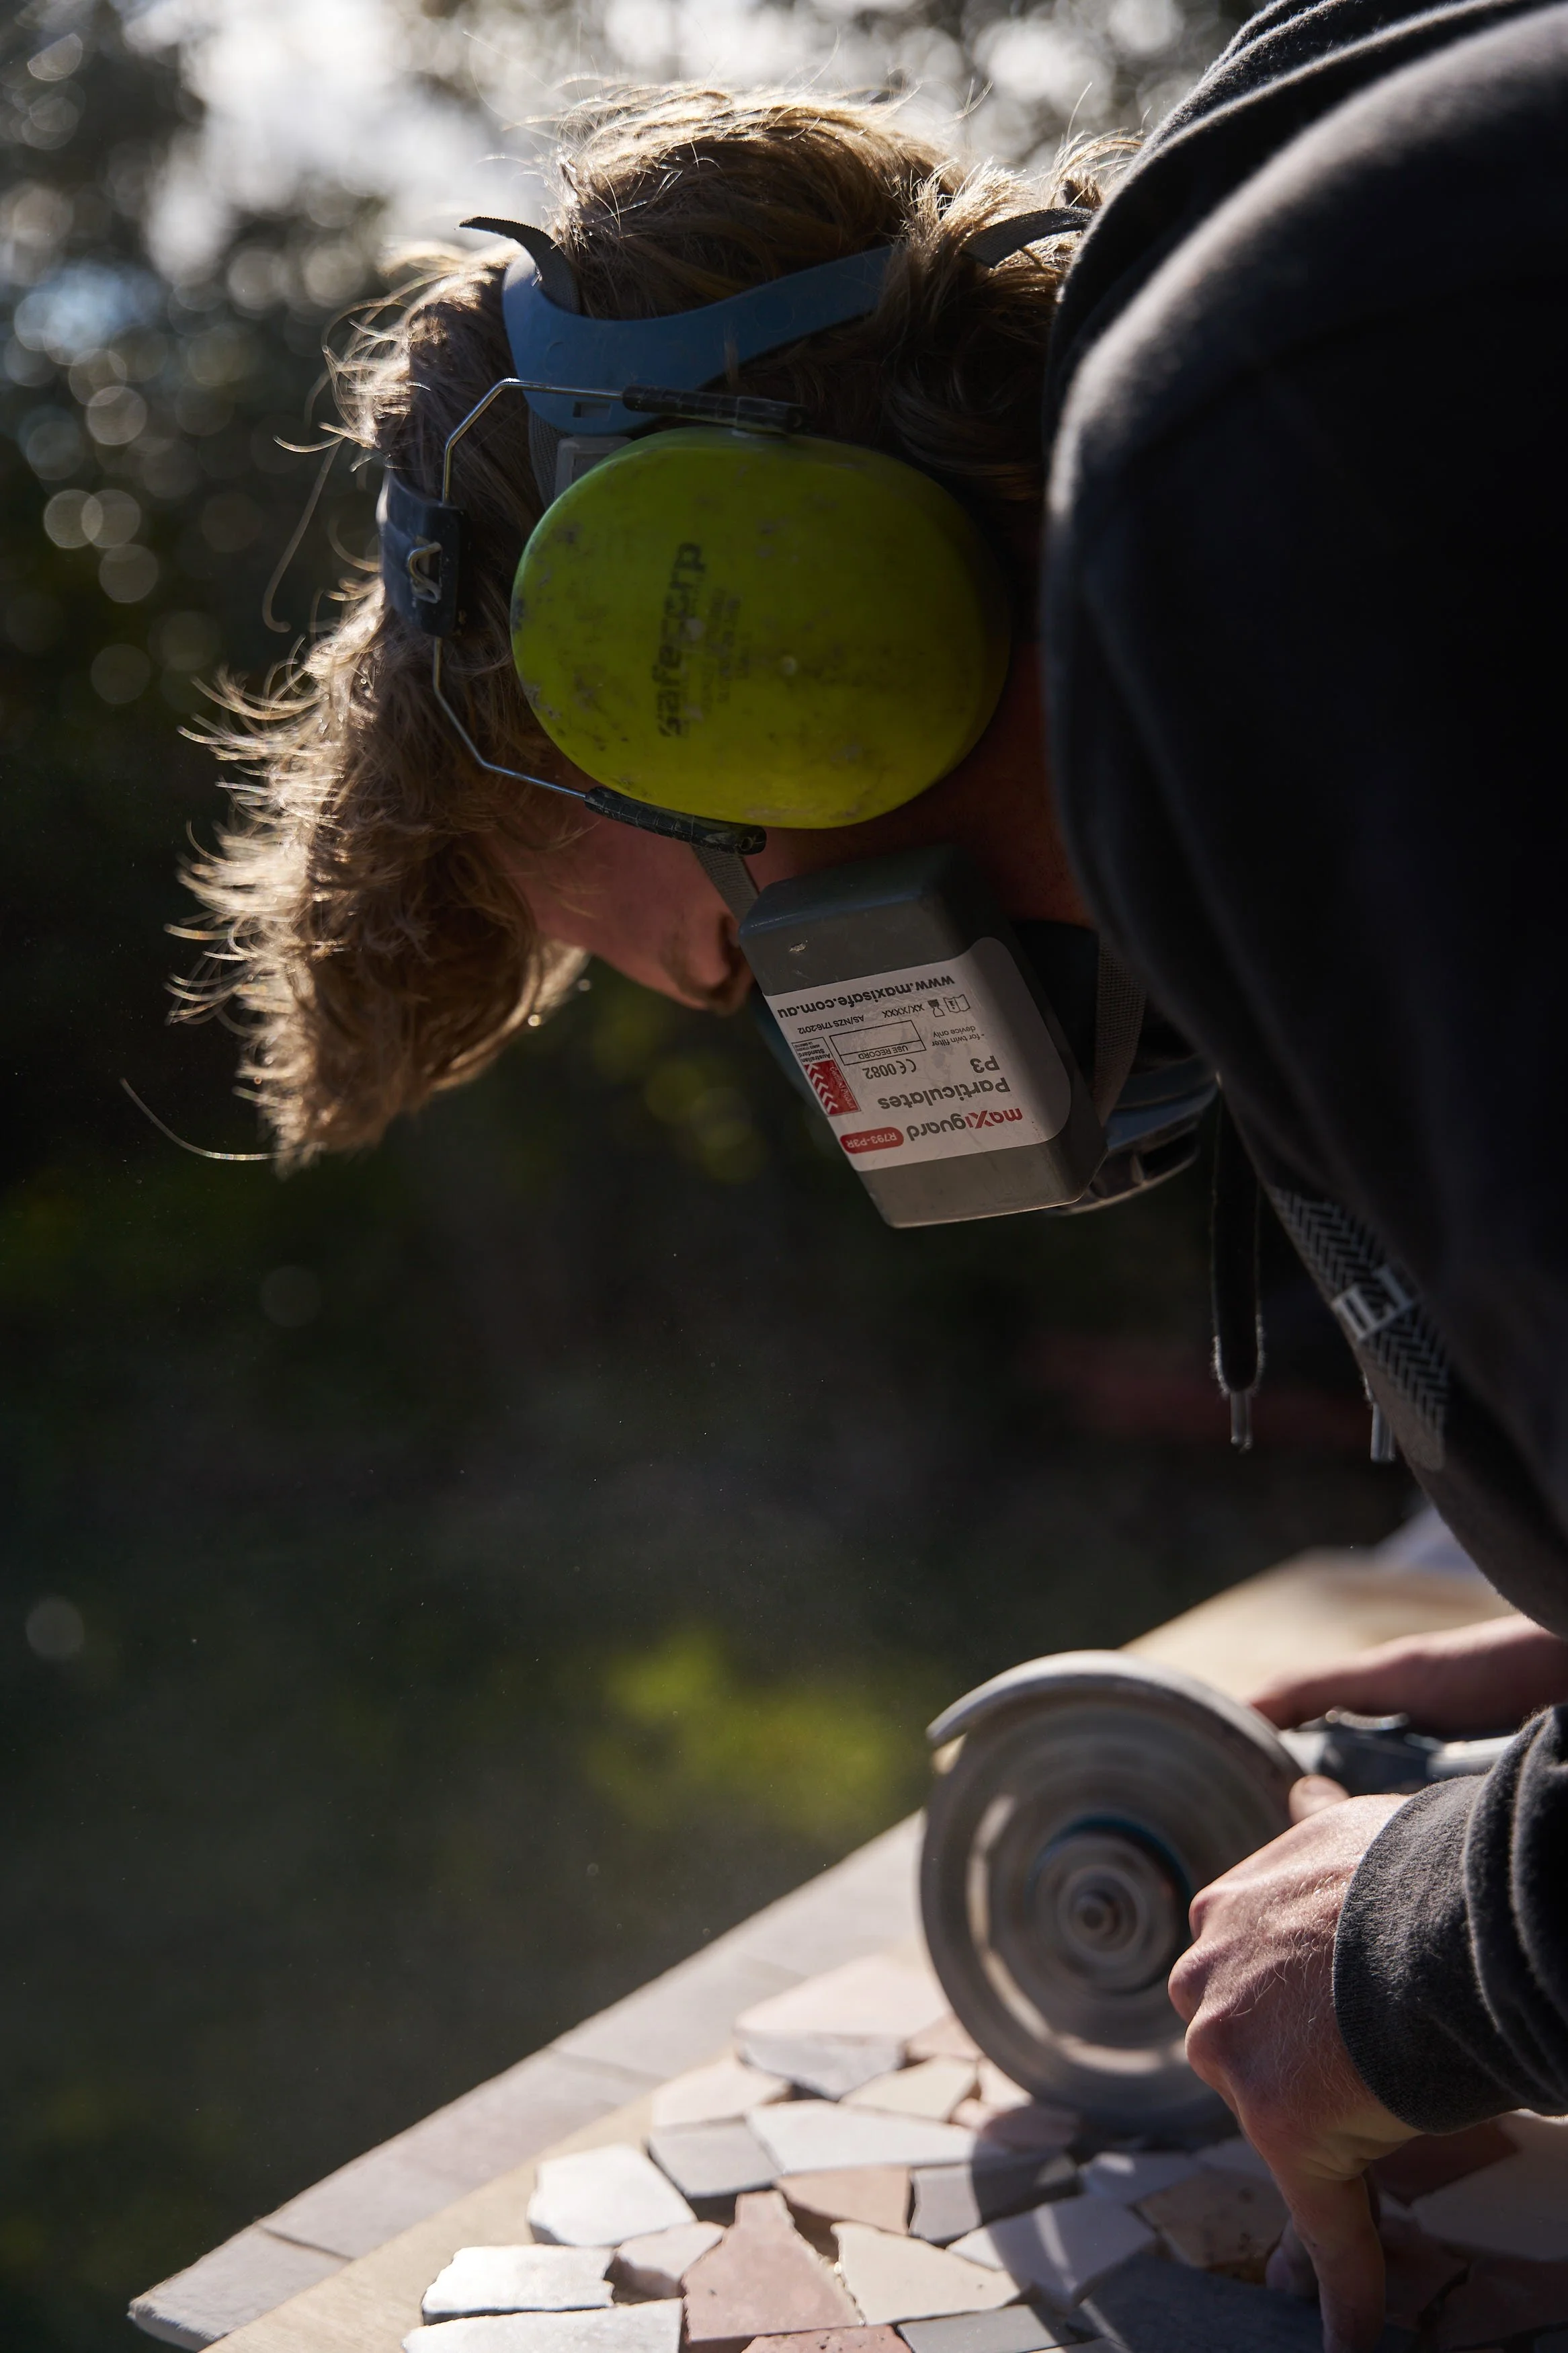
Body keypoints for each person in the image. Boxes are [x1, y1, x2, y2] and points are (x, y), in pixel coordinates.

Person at [179, 2, 1568, 2343]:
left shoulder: (1259, 542)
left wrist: (1453, 1937)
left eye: (726, 957)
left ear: (728, 659)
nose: (805, 1021)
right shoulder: (1362, 403)